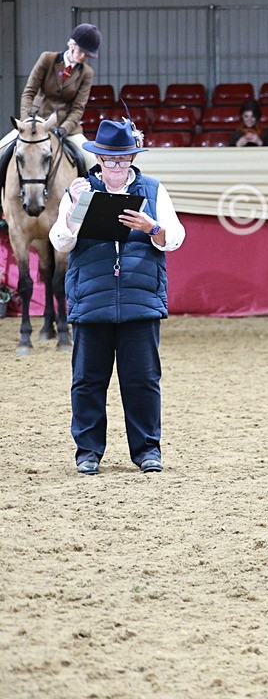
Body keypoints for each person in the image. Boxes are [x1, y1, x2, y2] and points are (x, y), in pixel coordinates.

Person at [49, 119, 186, 475]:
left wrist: (152, 227)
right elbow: (61, 242)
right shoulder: (78, 191)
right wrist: (76, 211)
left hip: (141, 300)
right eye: (110, 160)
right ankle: (88, 452)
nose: (116, 166)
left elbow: (175, 238)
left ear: (133, 158)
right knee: (87, 381)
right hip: (91, 299)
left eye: (123, 159)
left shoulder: (153, 189)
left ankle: (147, 451)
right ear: (98, 159)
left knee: (143, 381)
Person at [0, 23, 103, 186]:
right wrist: (28, 122)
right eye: (81, 51)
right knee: (1, 149)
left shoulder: (86, 73)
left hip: (65, 128)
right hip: (36, 120)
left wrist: (64, 129)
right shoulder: (47, 59)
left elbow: (78, 108)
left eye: (87, 54)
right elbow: (29, 92)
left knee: (91, 160)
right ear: (72, 44)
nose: (84, 56)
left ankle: (87, 197)